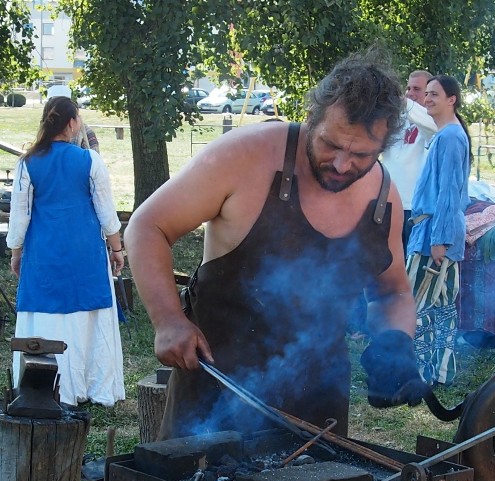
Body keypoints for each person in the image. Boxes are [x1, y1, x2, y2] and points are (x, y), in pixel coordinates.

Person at [126, 50, 431, 440]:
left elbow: (392, 292)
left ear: (384, 146)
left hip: (318, 416)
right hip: (213, 402)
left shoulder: (384, 201)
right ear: (312, 118)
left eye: (360, 155)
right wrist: (168, 321)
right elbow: (148, 225)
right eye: (330, 144)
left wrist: (395, 343)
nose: (341, 164)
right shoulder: (245, 157)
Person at [7, 95, 126, 407]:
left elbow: (20, 217)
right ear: (72, 123)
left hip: (44, 253)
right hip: (84, 254)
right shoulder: (91, 161)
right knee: (85, 318)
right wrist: (117, 249)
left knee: (46, 317)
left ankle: (44, 385)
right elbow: (106, 212)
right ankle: (90, 385)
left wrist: (16, 252)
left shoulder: (27, 163)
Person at [405, 75, 472, 387]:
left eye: (434, 94)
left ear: (452, 99)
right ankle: (441, 372)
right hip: (435, 233)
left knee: (415, 306)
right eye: (426, 93)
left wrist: (439, 241)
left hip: (434, 236)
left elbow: (448, 194)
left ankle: (418, 373)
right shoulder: (447, 135)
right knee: (442, 308)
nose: (427, 99)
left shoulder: (450, 138)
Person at [382, 70, 438, 251]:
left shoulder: (433, 121)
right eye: (408, 88)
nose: (410, 93)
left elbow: (432, 125)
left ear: (428, 94)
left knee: (408, 265)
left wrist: (402, 101)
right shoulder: (396, 119)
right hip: (387, 203)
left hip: (413, 208)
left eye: (417, 89)